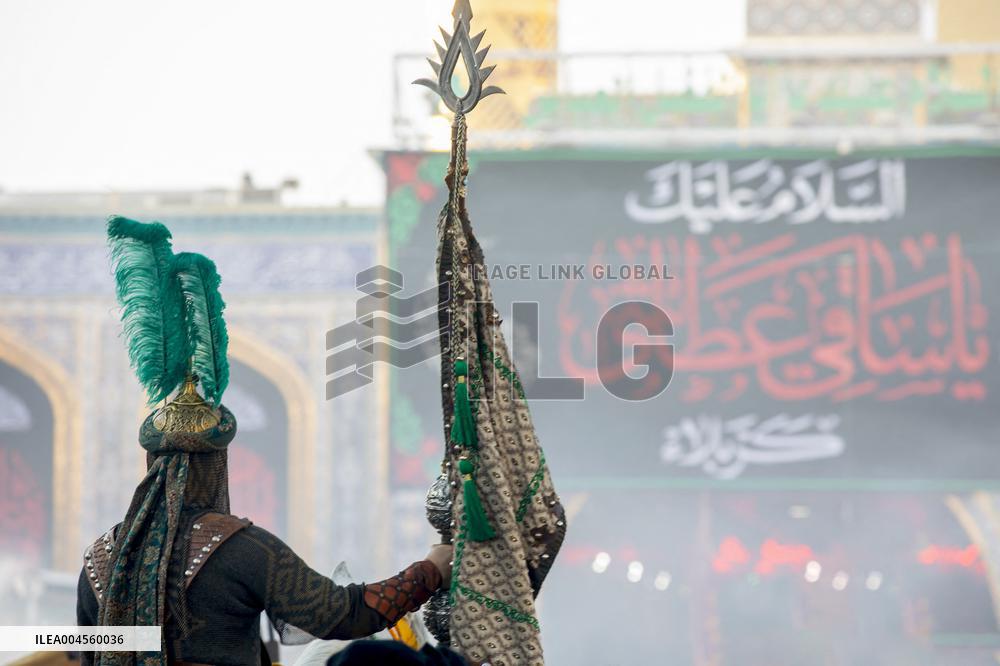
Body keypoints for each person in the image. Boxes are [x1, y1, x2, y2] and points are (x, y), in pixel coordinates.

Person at [78, 218, 453, 665]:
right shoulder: (239, 548)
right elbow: (341, 615)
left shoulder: (101, 559)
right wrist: (431, 569)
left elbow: (85, 654)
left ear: (152, 463)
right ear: (216, 463)